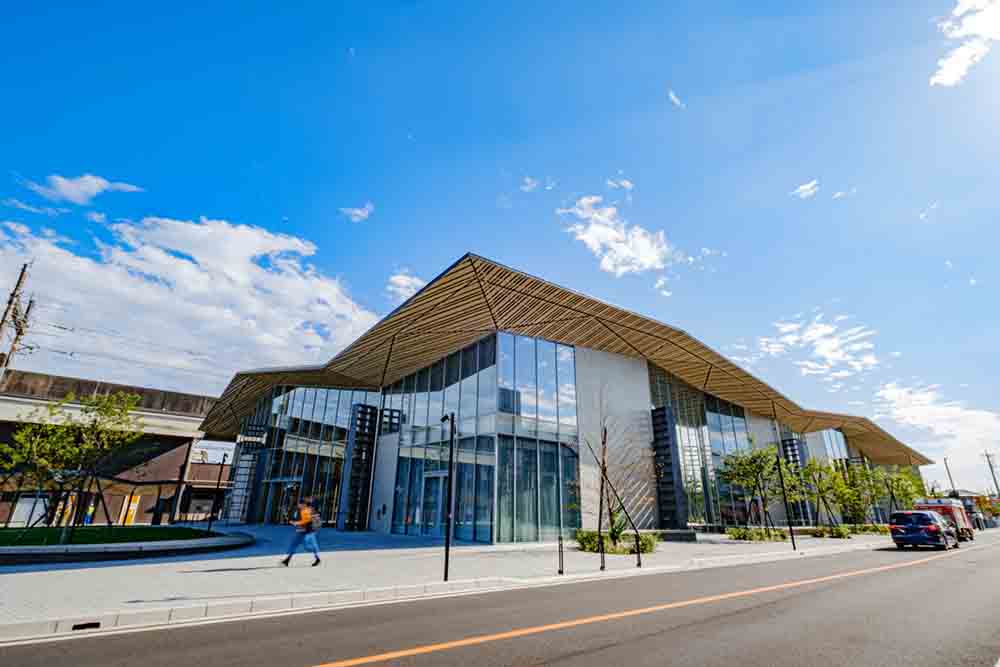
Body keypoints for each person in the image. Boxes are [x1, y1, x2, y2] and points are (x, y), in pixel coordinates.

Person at [281, 496, 321, 567]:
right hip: (301, 530)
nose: (299, 505)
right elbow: (296, 518)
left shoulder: (308, 510)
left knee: (308, 547)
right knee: (294, 544)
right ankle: (287, 560)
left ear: (304, 504)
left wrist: (296, 523)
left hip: (308, 531)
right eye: (299, 504)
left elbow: (307, 520)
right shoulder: (301, 510)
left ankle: (317, 558)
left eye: (300, 504)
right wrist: (291, 520)